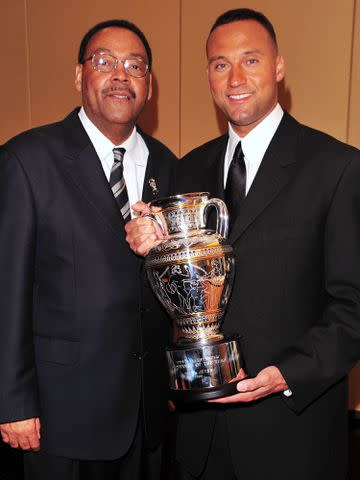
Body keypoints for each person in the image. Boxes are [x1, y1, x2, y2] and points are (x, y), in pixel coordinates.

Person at [125, 8, 360, 480]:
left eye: (250, 60)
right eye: (219, 63)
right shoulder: (185, 171)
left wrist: (286, 374)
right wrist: (146, 248)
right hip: (199, 437)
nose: (234, 77)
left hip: (293, 435)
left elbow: (353, 307)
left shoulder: (336, 168)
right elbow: (170, 294)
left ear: (278, 67)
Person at [0, 19, 176, 480]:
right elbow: (7, 290)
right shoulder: (27, 160)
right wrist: (13, 401)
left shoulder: (171, 168)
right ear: (80, 76)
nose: (121, 75)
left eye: (135, 65)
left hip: (146, 412)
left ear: (149, 85)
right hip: (62, 414)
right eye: (105, 61)